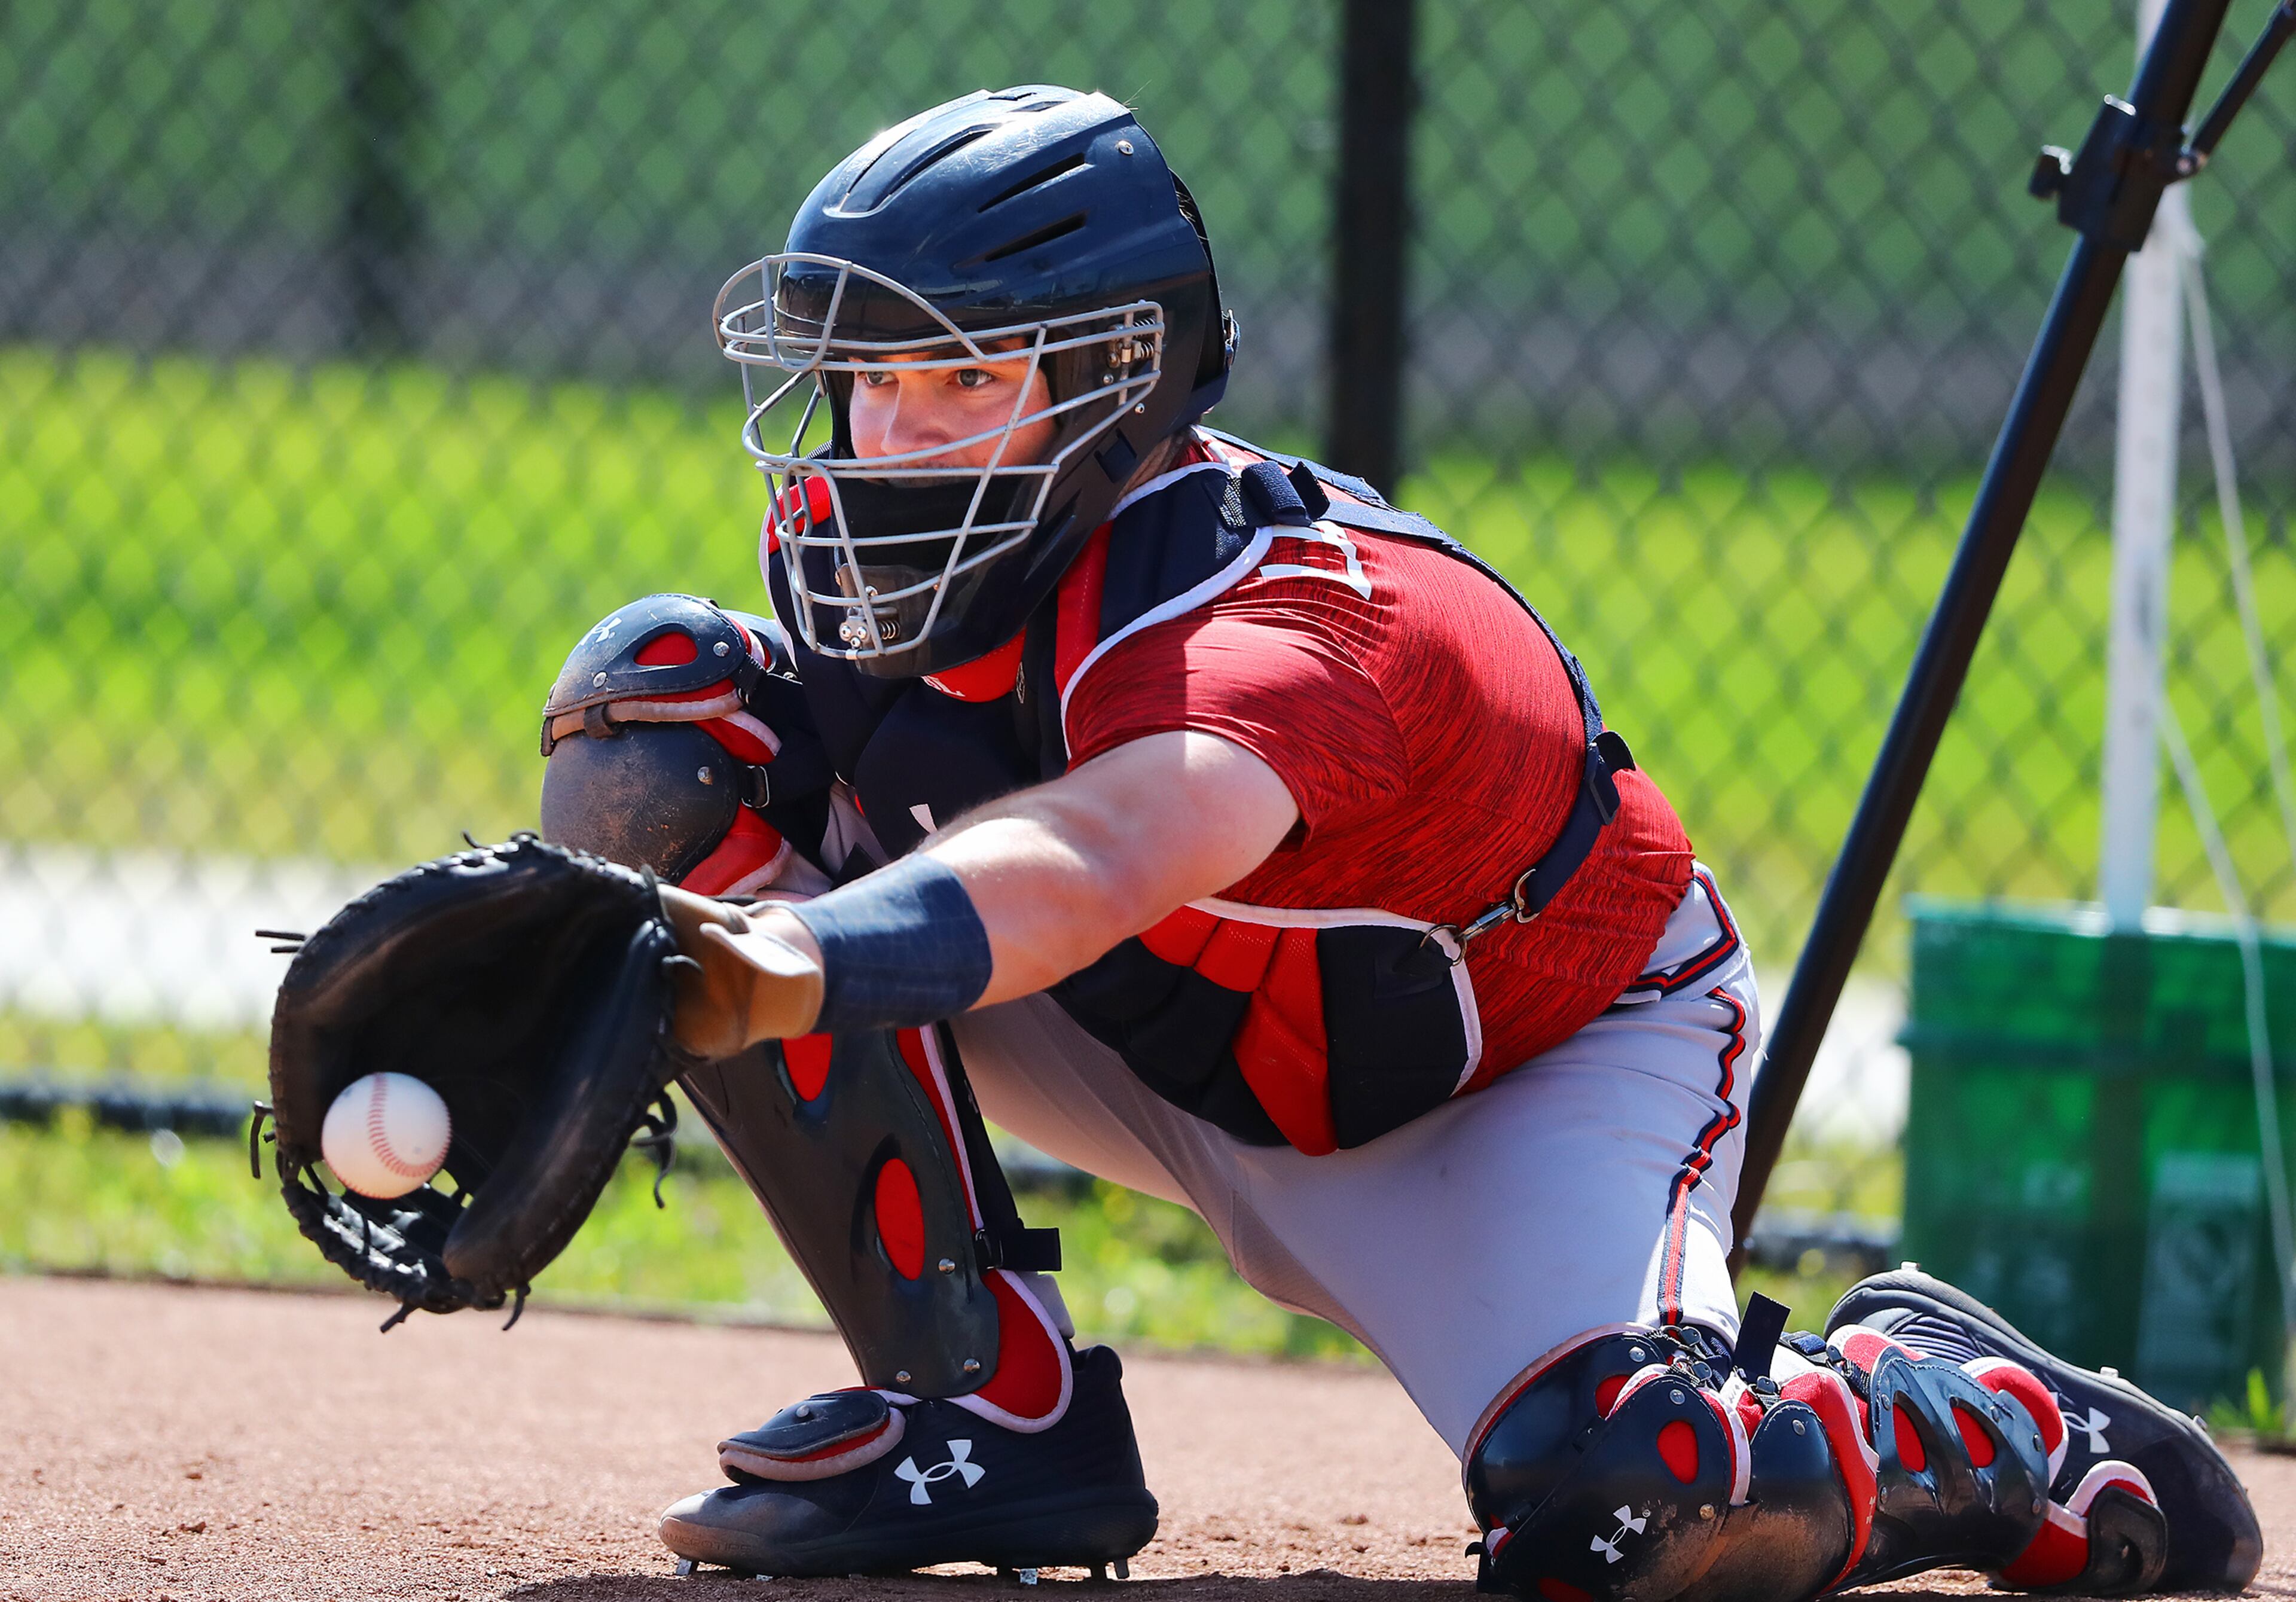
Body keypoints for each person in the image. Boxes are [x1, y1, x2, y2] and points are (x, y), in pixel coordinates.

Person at [532, 86, 2261, 1597]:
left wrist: (777, 965)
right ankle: (986, 1407)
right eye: (866, 382)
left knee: (1625, 1503)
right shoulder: (910, 586)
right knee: (665, 719)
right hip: (1191, 1018)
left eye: (959, 380)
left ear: (1111, 389)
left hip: (1527, 1070)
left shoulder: (1287, 625)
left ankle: (1951, 1411)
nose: (883, 442)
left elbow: (1093, 858)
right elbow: (915, 854)